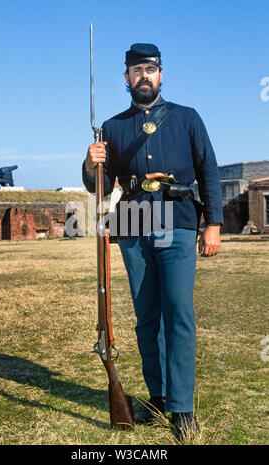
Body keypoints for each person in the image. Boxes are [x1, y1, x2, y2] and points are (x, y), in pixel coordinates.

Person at [82, 43, 223, 438]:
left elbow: (208, 170)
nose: (144, 76)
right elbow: (102, 185)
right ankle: (157, 397)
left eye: (151, 69)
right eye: (136, 70)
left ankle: (181, 408)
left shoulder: (187, 118)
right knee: (147, 316)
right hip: (132, 220)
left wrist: (213, 223)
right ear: (126, 78)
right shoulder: (110, 127)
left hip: (177, 218)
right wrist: (90, 160)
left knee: (178, 312)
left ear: (161, 74)